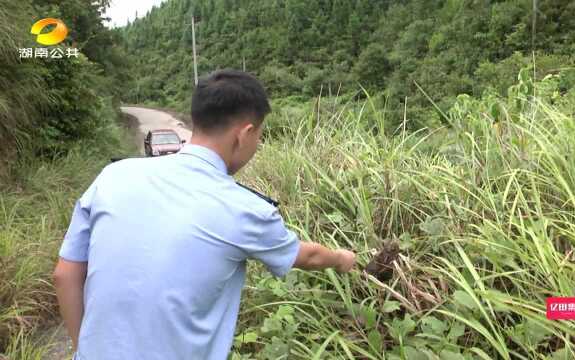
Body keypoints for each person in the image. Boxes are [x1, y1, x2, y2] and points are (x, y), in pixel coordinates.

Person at [52, 69, 357, 360]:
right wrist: (344, 259)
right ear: (245, 133)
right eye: (258, 137)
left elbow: (65, 275)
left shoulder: (112, 176)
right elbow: (308, 257)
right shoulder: (245, 209)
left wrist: (85, 350)